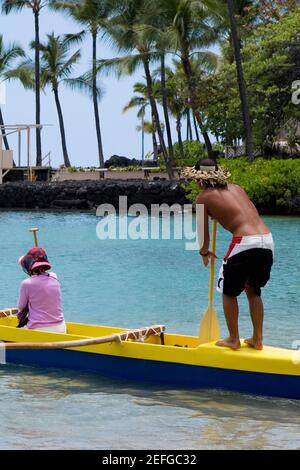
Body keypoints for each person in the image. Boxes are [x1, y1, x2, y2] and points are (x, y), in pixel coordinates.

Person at [183, 159, 274, 350]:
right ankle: (257, 339)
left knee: (228, 291)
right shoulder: (237, 188)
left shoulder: (202, 198)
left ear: (200, 180)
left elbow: (202, 233)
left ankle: (233, 339)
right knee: (253, 289)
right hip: (266, 239)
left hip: (244, 242)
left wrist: (204, 252)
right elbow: (249, 213)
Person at [17, 247, 66, 333]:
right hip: (61, 328)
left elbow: (21, 307)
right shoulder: (54, 276)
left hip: (40, 329)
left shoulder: (26, 283)